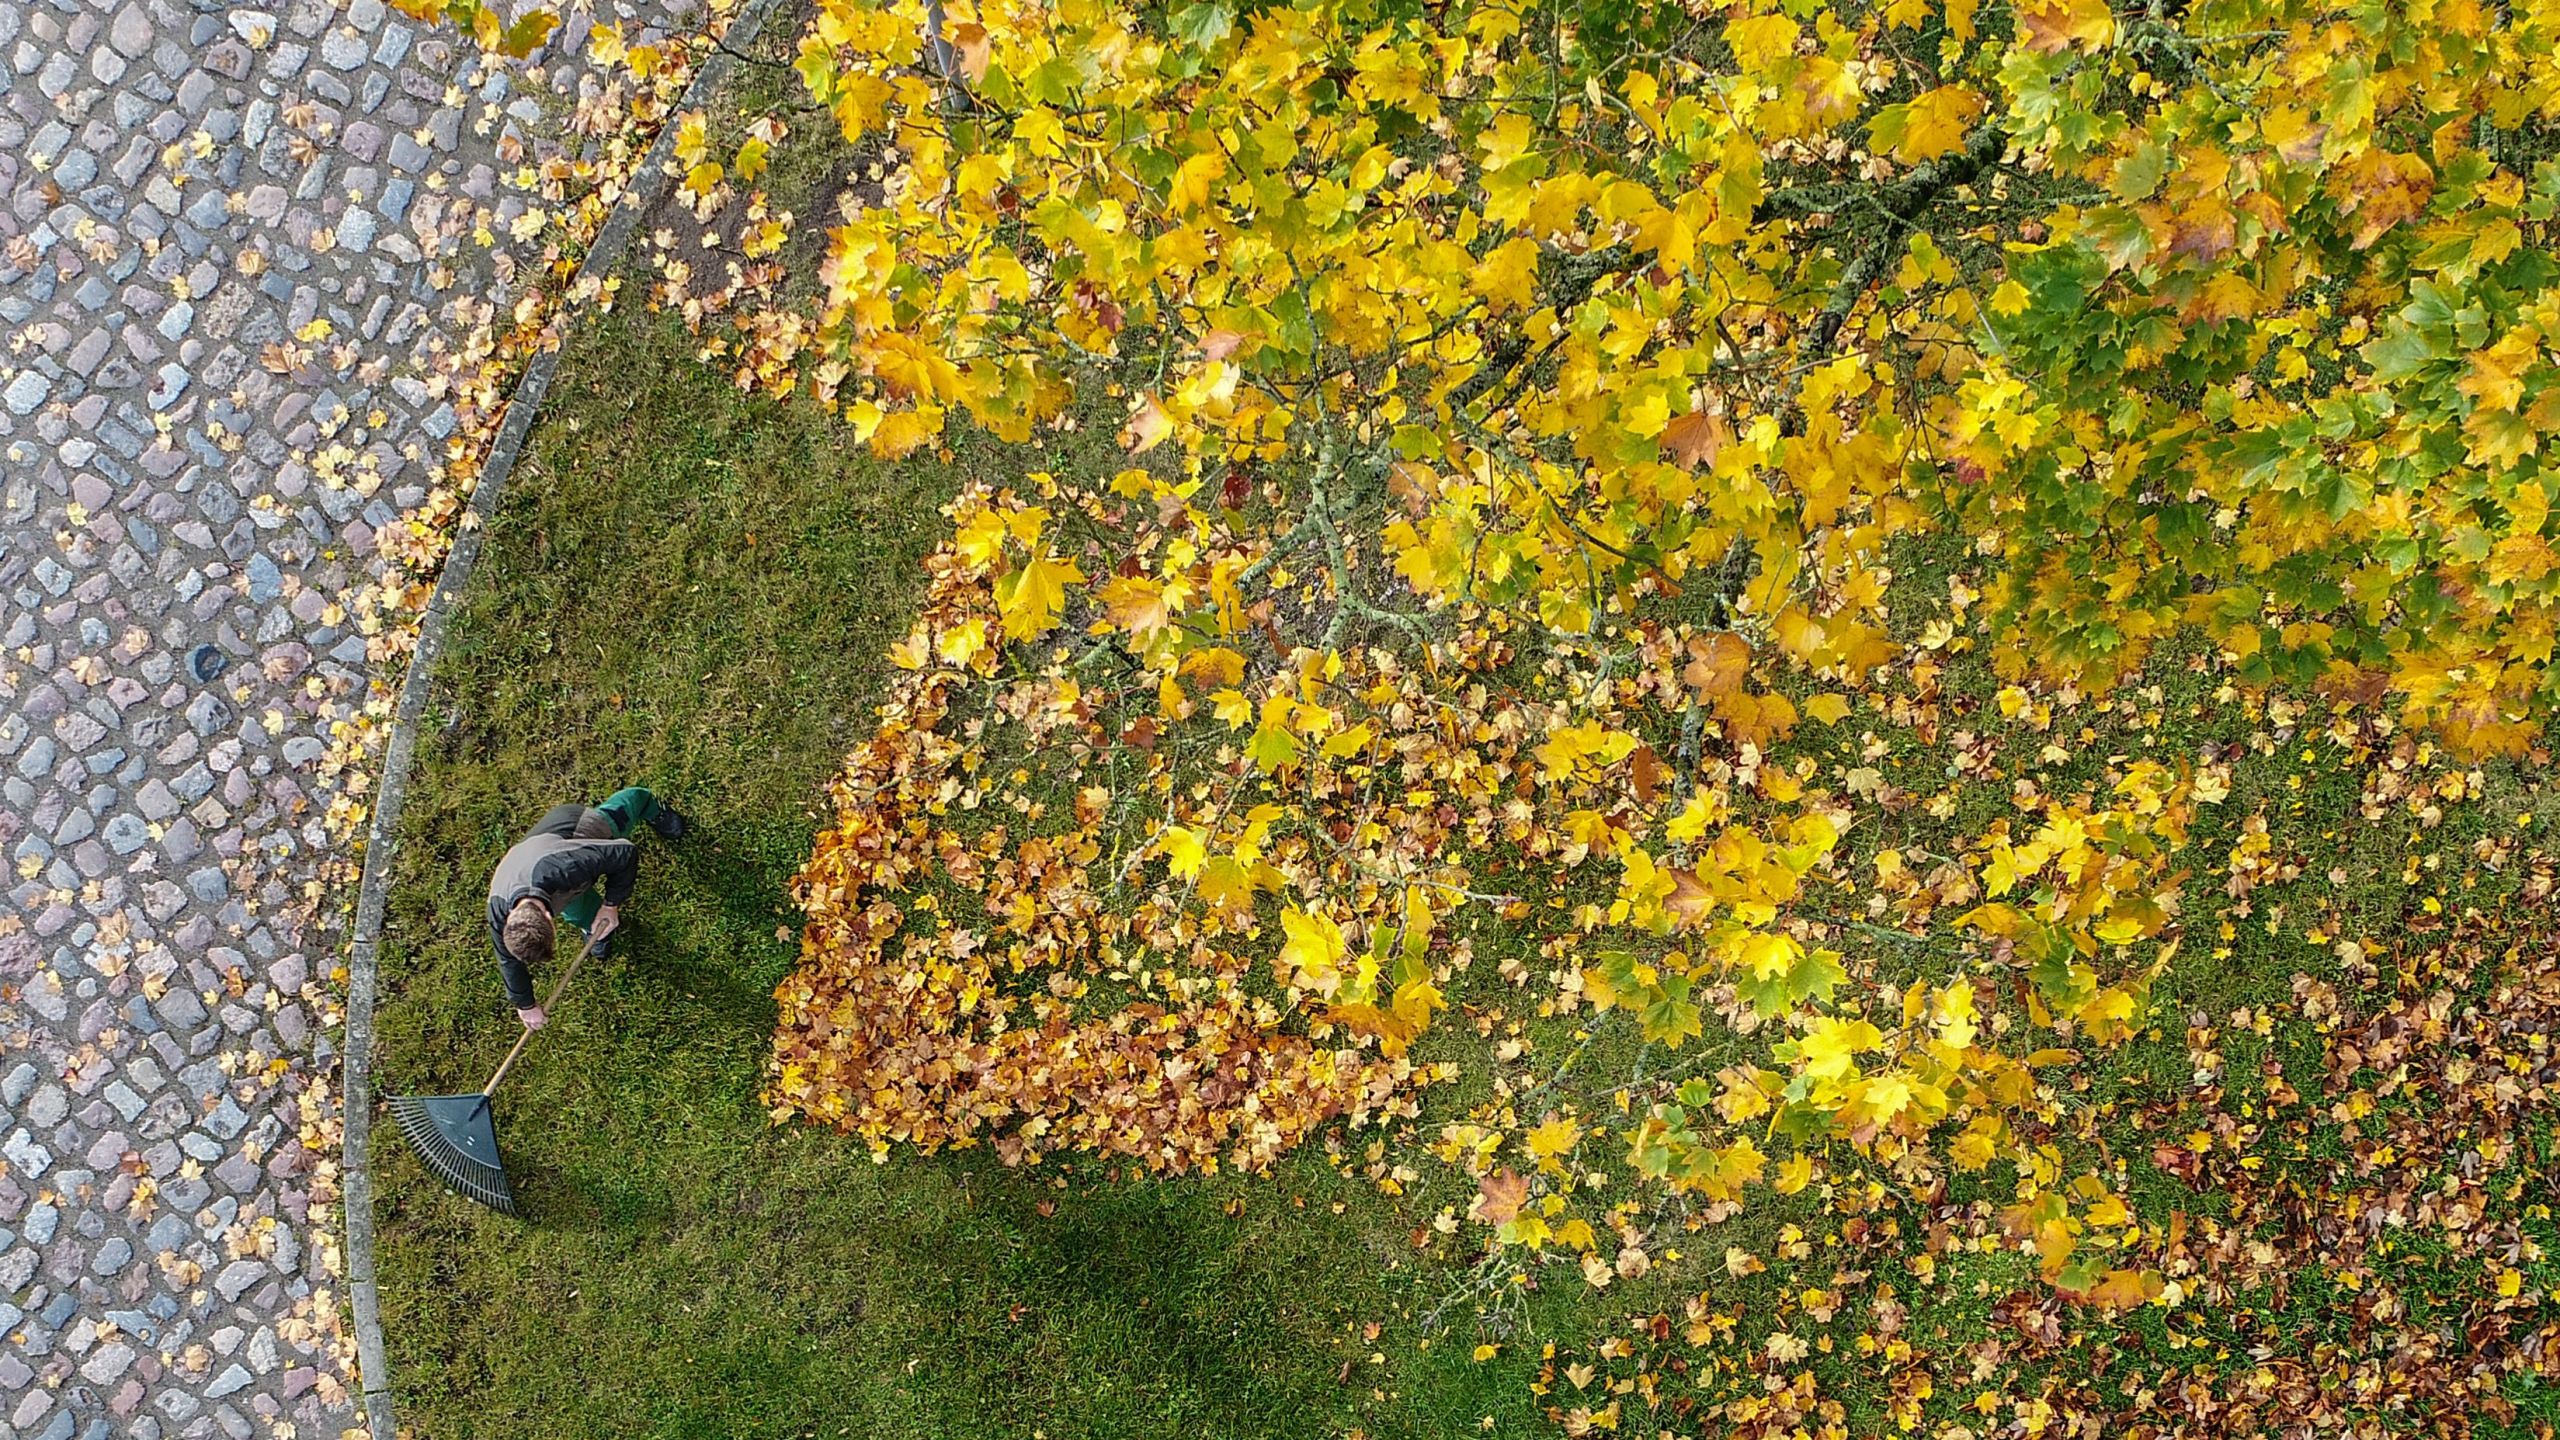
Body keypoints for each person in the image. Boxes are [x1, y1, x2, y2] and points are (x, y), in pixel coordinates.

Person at [486, 788, 686, 1030]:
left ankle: (649, 806)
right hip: (553, 880)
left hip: (575, 829)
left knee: (618, 817)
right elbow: (508, 960)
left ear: (549, 917)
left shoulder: (569, 865)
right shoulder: (499, 910)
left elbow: (625, 853)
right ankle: (596, 928)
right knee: (577, 908)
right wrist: (525, 1004)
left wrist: (611, 905)